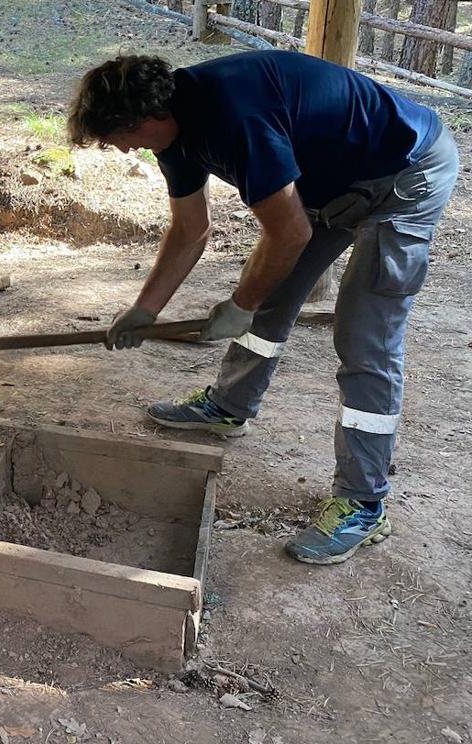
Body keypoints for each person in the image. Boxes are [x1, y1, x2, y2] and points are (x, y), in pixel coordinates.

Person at [65, 50, 457, 566]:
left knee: (365, 337)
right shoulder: (174, 131)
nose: (120, 150)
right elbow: (190, 229)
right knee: (270, 297)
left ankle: (364, 502)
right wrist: (146, 309)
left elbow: (290, 231)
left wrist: (239, 303)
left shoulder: (233, 115)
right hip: (335, 184)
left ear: (147, 119)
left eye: (120, 138)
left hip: (406, 174)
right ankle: (230, 407)